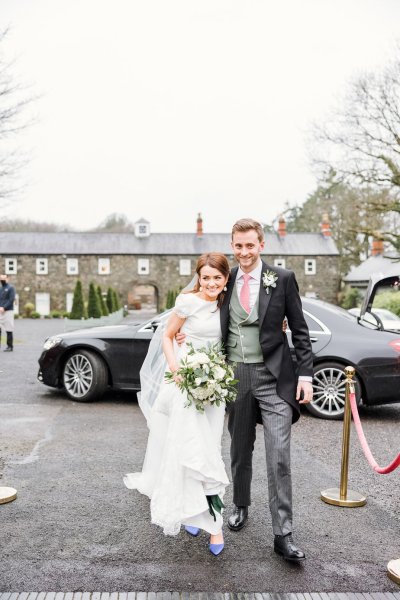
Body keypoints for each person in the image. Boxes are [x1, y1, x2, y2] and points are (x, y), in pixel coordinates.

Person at [124, 253, 231, 556]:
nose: (211, 283)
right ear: (198, 277)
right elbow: (168, 336)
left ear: (225, 279)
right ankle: (214, 524)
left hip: (216, 385)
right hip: (186, 383)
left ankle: (198, 511)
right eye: (205, 277)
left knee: (210, 448)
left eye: (217, 277)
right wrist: (176, 368)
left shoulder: (229, 303)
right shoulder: (187, 302)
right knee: (191, 449)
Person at [223, 218, 313, 562]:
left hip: (274, 377)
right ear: (233, 245)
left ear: (261, 245)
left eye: (250, 245)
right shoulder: (224, 278)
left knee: (279, 455)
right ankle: (240, 504)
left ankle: (283, 533)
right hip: (235, 374)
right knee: (239, 447)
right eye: (238, 245)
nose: (244, 252)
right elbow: (202, 313)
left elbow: (301, 331)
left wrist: (305, 376)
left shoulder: (283, 279)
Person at [0, 274, 16, 352]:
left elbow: (11, 299)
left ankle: (10, 346)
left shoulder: (11, 288)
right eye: (1, 278)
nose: (2, 279)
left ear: (7, 279)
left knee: (9, 329)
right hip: (0, 311)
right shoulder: (1, 288)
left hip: (8, 311)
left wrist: (4, 307)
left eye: (3, 278)